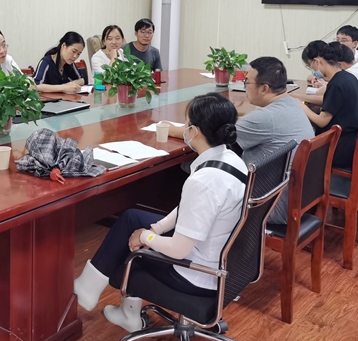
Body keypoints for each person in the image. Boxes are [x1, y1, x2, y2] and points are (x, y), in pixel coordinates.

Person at [73, 93, 246, 332]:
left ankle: (123, 311)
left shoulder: (203, 182)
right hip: (223, 256)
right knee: (133, 218)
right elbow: (189, 207)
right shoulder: (231, 160)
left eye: (187, 125)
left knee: (128, 250)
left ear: (194, 132)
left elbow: (179, 250)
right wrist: (156, 228)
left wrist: (146, 237)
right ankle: (90, 288)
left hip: (198, 273)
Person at [166, 57, 314, 224]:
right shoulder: (291, 104)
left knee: (193, 165)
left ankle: (183, 225)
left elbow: (209, 132)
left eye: (247, 82)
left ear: (264, 88)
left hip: (268, 205)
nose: (244, 86)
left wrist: (169, 129)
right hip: (298, 198)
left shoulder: (265, 118)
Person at [299, 42, 358, 169]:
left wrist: (301, 107)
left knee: (300, 148)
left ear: (317, 61)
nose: (312, 70)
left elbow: (322, 121)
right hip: (354, 141)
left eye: (311, 65)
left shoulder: (337, 83)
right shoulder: (347, 77)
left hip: (342, 147)